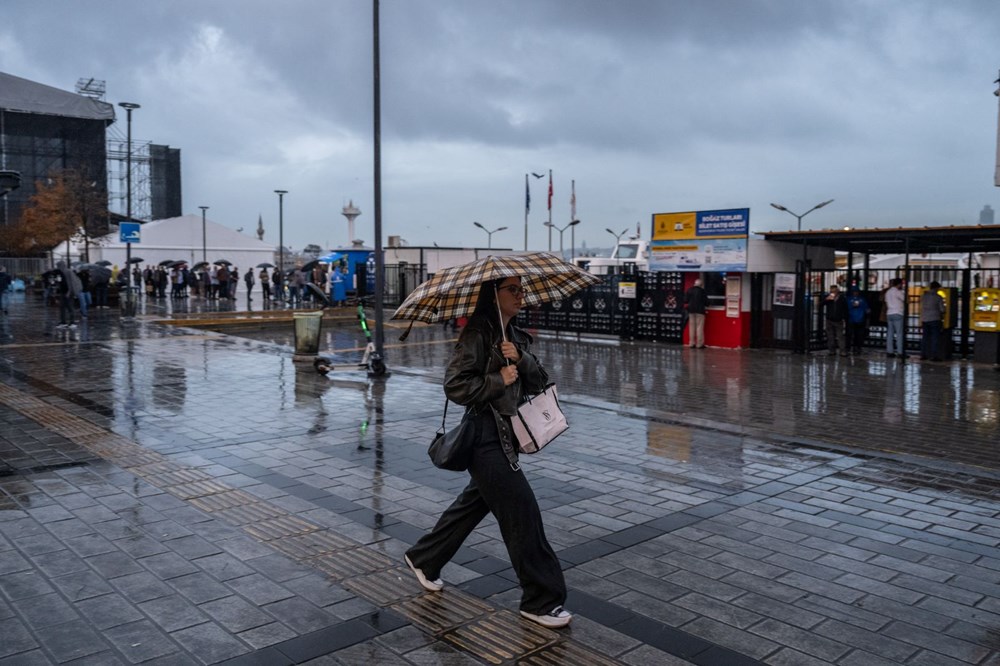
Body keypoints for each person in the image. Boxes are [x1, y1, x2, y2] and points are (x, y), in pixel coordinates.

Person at [404, 276, 572, 629]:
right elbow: (455, 384)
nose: (521, 295)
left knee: (473, 505)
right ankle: (540, 600)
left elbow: (541, 381)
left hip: (506, 435)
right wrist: (500, 379)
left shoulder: (515, 335)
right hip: (484, 435)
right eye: (513, 289)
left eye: (522, 289)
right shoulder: (478, 332)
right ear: (493, 295)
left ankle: (425, 557)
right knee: (522, 512)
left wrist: (521, 359)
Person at [920, 281, 945, 361]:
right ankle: (934, 356)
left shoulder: (924, 296)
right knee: (935, 338)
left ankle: (923, 355)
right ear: (936, 288)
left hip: (924, 319)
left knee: (925, 337)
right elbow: (942, 309)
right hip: (935, 319)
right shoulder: (938, 297)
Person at [823, 284, 848, 356]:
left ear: (837, 291)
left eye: (834, 291)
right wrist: (826, 299)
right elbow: (821, 304)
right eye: (832, 291)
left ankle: (842, 351)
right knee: (830, 336)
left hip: (838, 320)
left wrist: (843, 318)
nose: (833, 293)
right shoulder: (828, 298)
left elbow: (845, 309)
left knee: (840, 336)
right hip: (829, 319)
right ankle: (831, 350)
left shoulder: (842, 298)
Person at [55, 260, 81, 328]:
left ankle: (72, 322)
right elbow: (61, 282)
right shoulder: (61, 272)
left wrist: (69, 292)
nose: (58, 267)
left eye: (59, 265)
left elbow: (72, 282)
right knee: (62, 308)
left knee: (70, 307)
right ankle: (63, 322)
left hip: (68, 292)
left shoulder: (68, 271)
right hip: (63, 292)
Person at [884, 278, 905, 358]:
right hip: (898, 313)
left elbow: (886, 302)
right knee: (899, 334)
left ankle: (890, 351)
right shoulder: (898, 292)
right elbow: (905, 299)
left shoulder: (888, 292)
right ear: (899, 284)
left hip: (889, 313)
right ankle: (900, 352)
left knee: (890, 333)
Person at [683, 278, 707, 349]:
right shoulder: (702, 291)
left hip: (691, 311)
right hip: (700, 311)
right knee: (699, 327)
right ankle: (699, 344)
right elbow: (707, 302)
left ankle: (691, 343)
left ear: (695, 283)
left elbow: (685, 300)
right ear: (701, 285)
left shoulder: (689, 290)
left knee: (692, 327)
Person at [846, 286, 869, 354]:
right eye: (854, 291)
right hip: (853, 319)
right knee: (851, 334)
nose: (855, 293)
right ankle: (851, 347)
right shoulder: (860, 299)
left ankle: (855, 347)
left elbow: (866, 308)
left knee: (857, 335)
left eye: (856, 291)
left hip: (857, 319)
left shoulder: (849, 299)